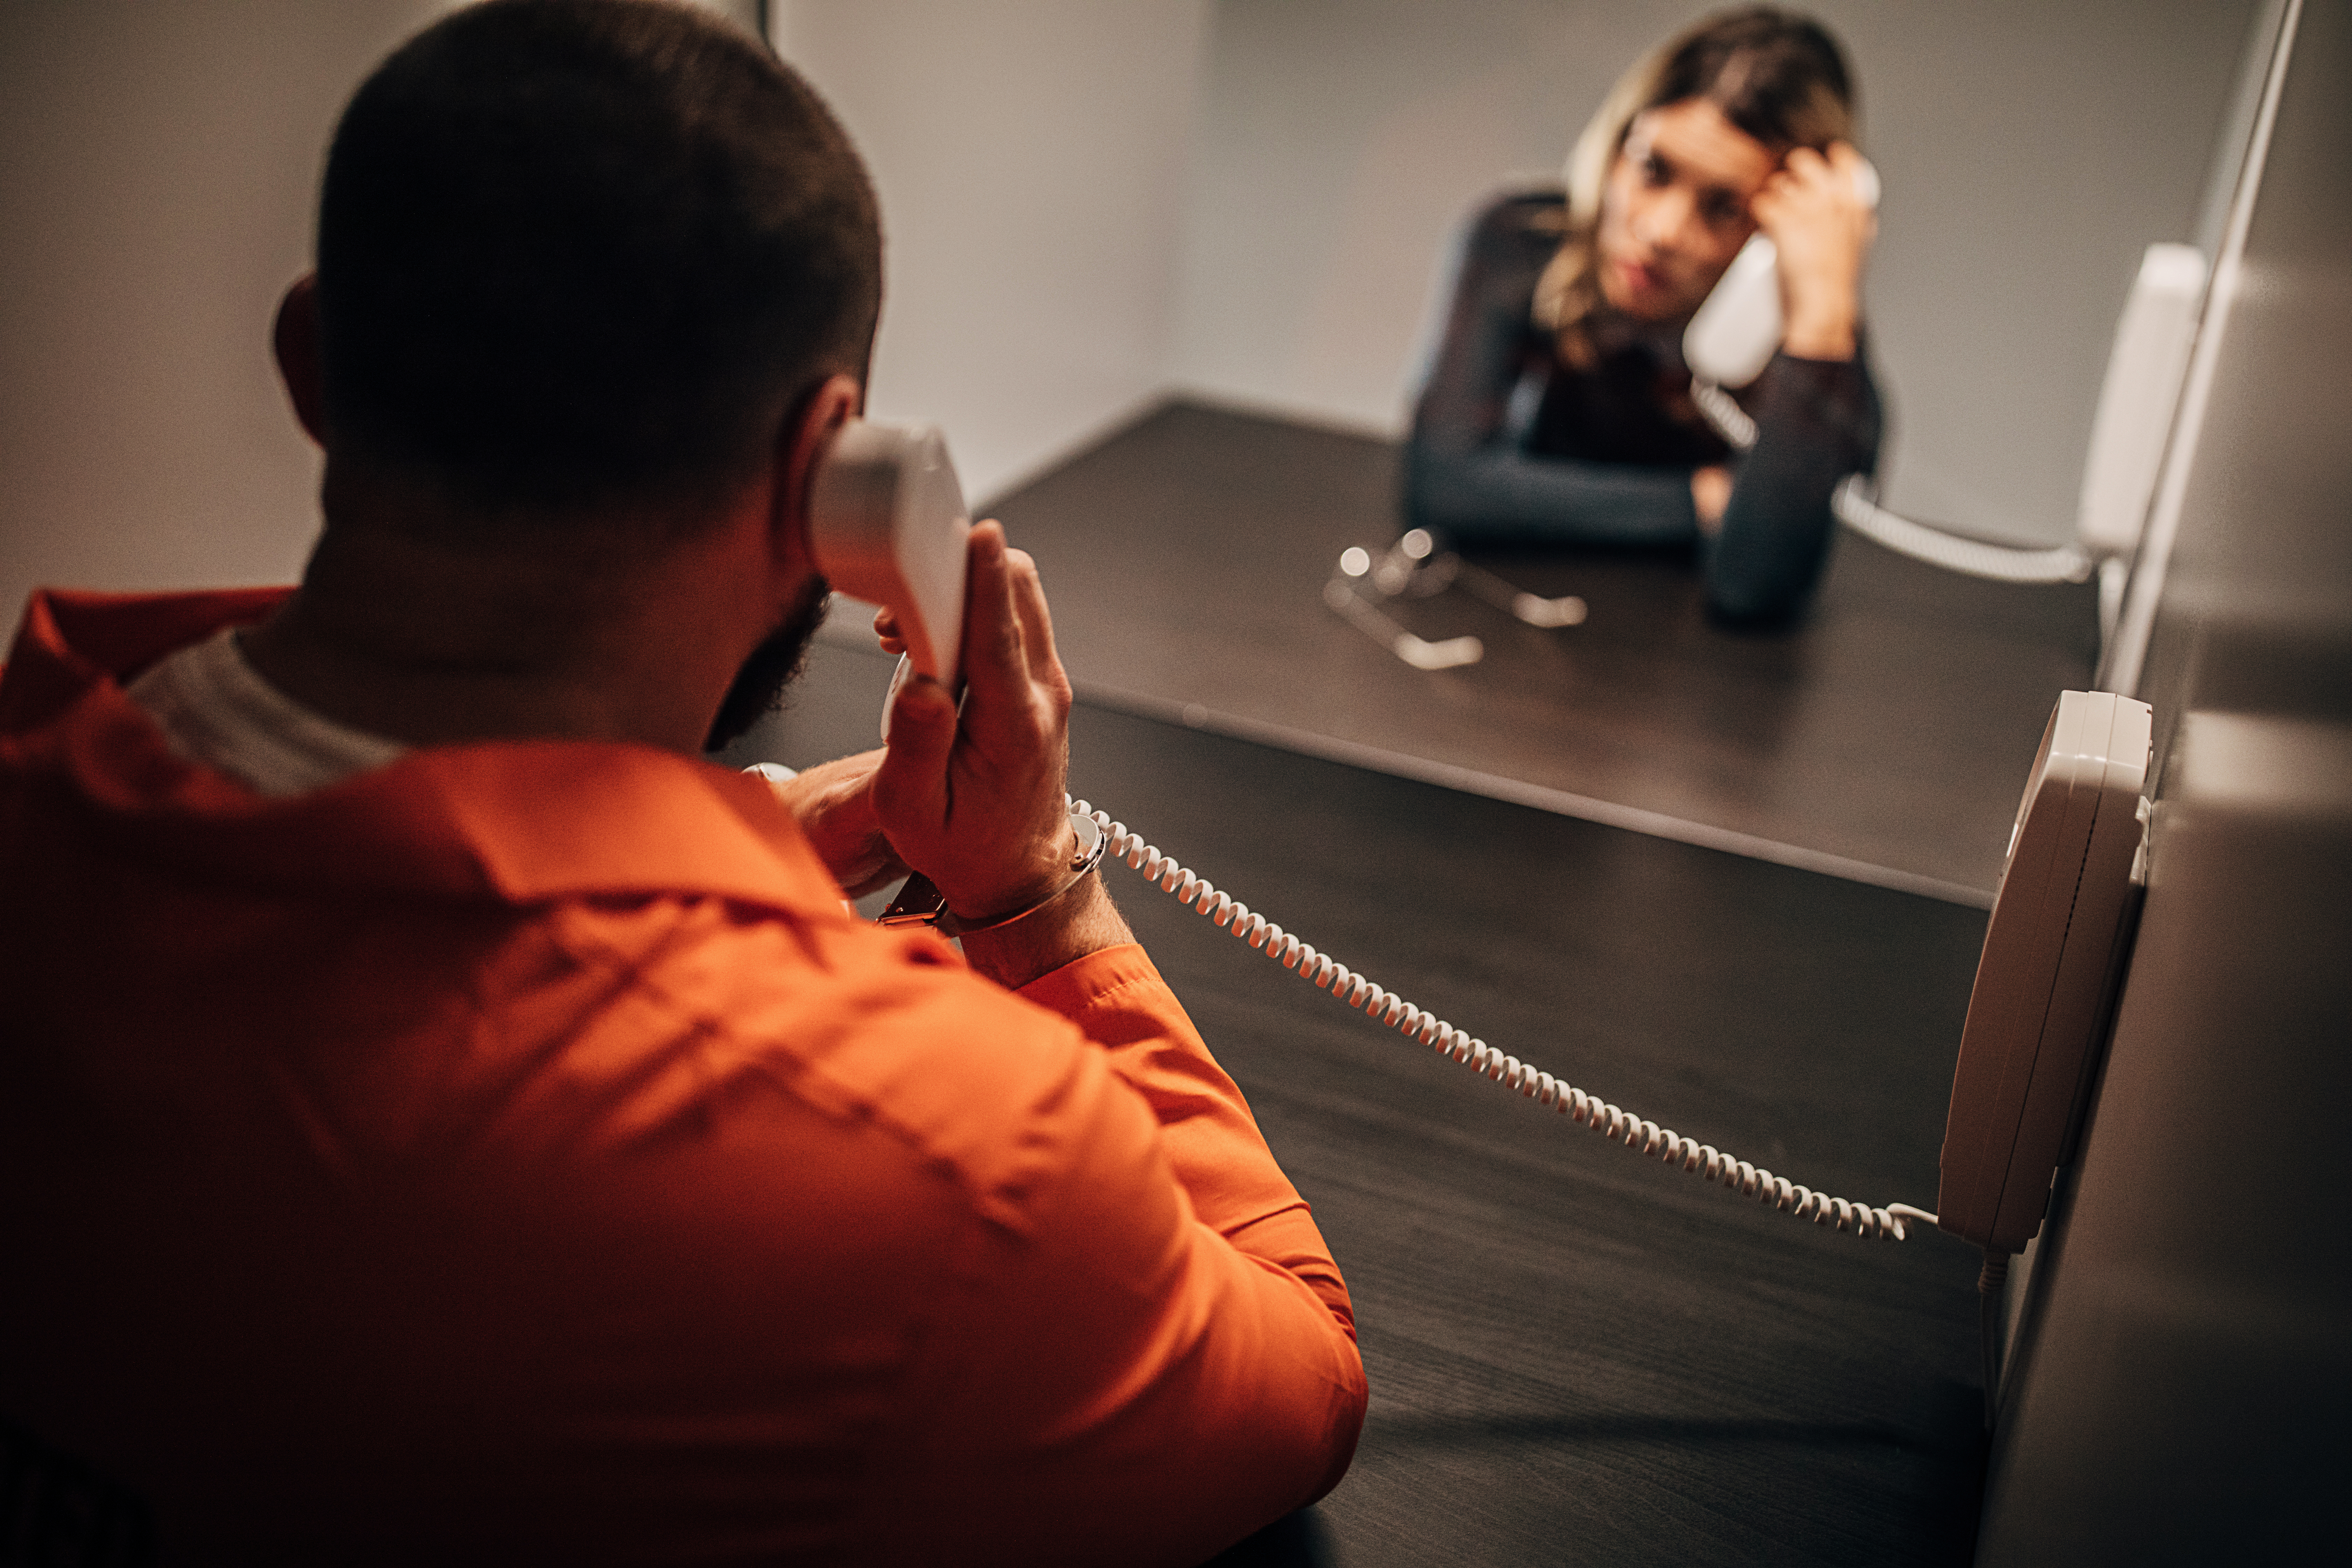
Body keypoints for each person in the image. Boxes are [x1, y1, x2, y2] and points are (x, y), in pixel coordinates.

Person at [0, 2, 1365, 1562]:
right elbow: (1300, 1378)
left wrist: (715, 847)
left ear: (314, 366)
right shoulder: (952, 1158)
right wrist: (1036, 898)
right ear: (837, 484)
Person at [1403, 6, 1882, 624]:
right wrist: (1699, 501)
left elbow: (1753, 590)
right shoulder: (1522, 242)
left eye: (1722, 208)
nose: (1660, 232)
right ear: (1617, 141)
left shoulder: (1819, 347)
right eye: (1653, 169)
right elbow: (1443, 487)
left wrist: (1819, 320)